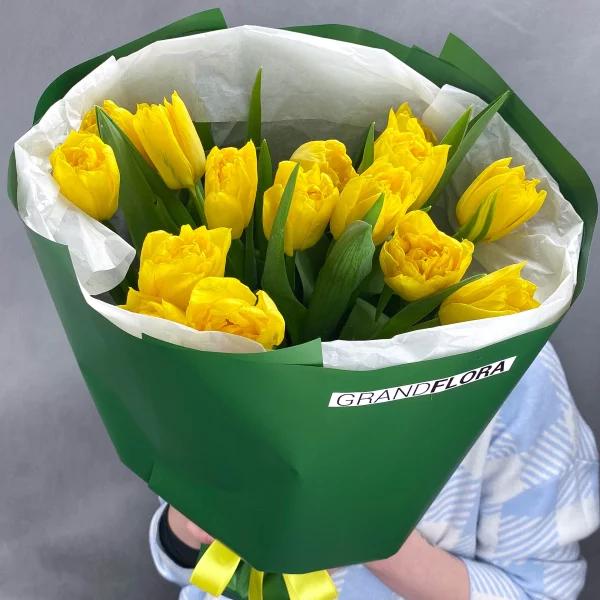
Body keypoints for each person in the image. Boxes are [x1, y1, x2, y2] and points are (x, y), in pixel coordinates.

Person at [149, 343, 599, 599]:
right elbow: (180, 564)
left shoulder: (512, 372)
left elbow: (541, 591)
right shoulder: (219, 334)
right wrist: (186, 524)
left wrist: (373, 540)